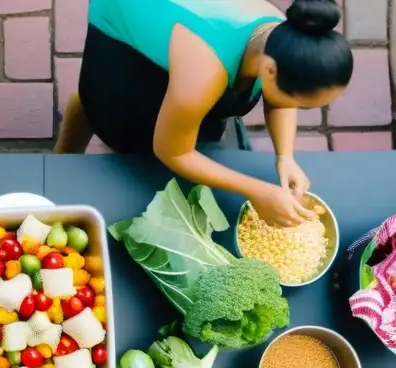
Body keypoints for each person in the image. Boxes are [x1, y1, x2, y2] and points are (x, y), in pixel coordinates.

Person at [55, 0, 354, 227]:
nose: (298, 110)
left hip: (180, 31)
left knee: (178, 105)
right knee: (110, 104)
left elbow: (281, 100)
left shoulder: (290, 37)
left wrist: (285, 156)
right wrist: (258, 191)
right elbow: (172, 151)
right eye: (301, 104)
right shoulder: (203, 73)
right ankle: (76, 126)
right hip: (126, 12)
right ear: (270, 70)